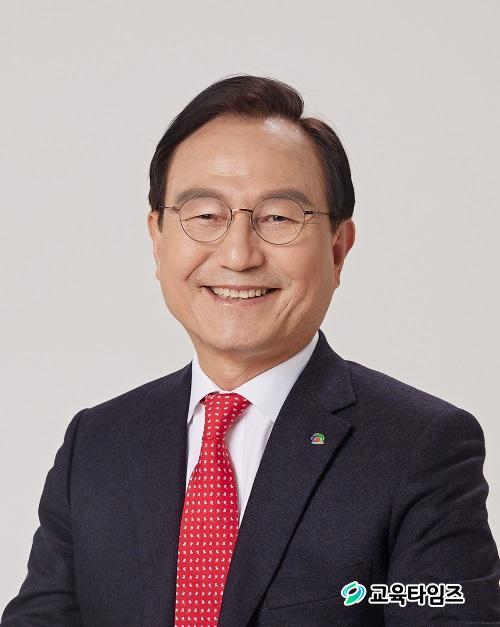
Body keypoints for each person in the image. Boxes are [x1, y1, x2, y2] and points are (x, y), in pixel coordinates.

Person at [2, 74, 499, 627]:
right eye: (205, 216)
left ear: (338, 249)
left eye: (278, 218)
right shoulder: (97, 445)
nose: (238, 255)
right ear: (158, 239)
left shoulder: (419, 447)